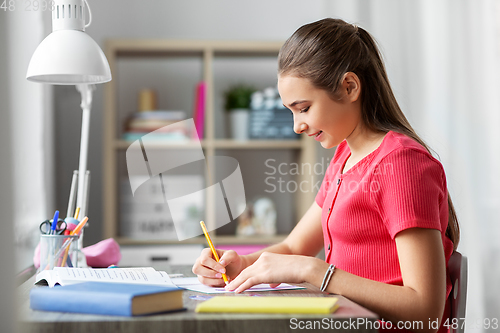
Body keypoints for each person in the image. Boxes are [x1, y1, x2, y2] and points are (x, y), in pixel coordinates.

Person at [192, 18, 459, 333]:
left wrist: (315, 271)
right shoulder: (344, 157)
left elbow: (425, 312)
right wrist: (243, 264)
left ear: (349, 87)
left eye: (303, 108)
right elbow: (293, 249)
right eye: (290, 111)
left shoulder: (402, 164)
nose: (297, 126)